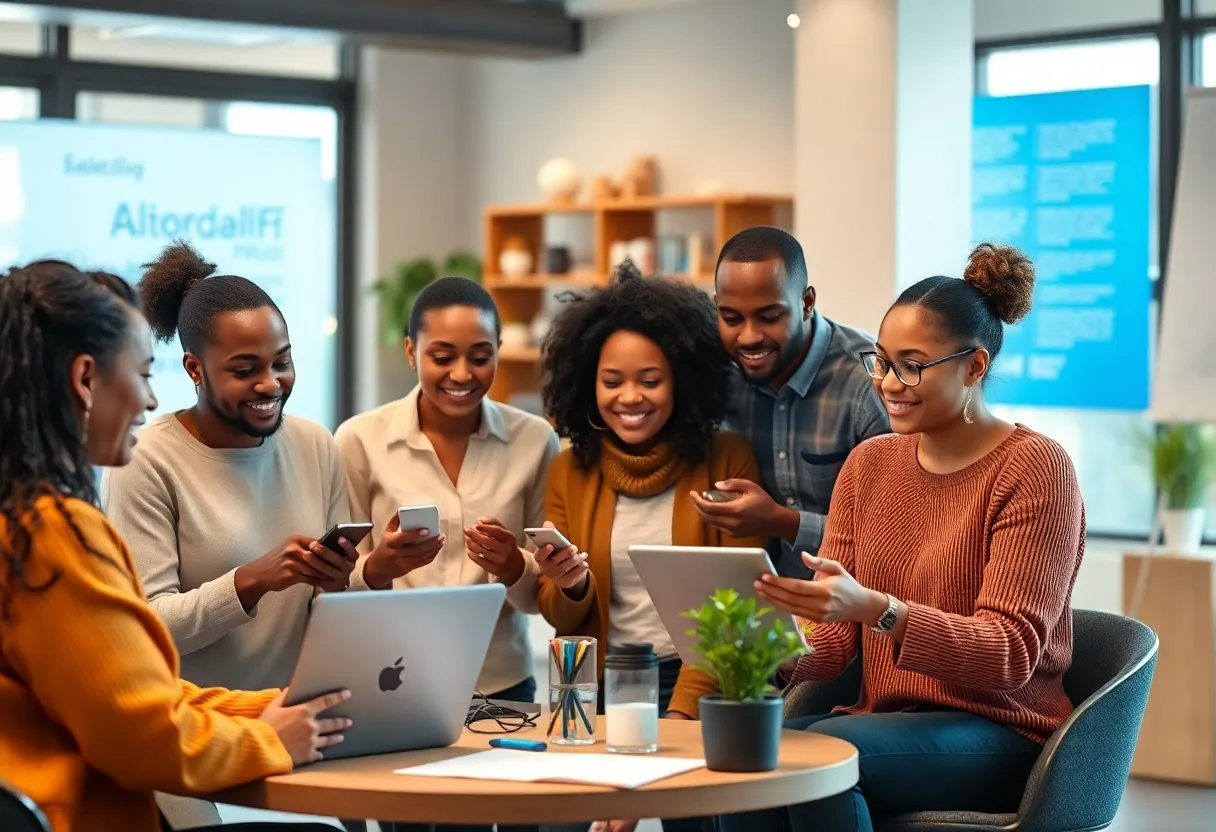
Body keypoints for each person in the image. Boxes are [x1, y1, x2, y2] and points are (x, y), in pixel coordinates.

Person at [718, 244, 1086, 832]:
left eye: (912, 364)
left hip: (1002, 729)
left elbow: (1012, 652)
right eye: (881, 362)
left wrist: (883, 612)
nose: (888, 383)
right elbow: (835, 644)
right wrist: (758, 644)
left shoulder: (1035, 468)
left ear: (974, 366)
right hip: (885, 722)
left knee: (825, 755)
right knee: (753, 758)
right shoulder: (869, 466)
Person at [0, 259, 349, 832]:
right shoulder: (53, 532)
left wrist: (260, 706)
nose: (150, 401)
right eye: (140, 375)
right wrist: (267, 737)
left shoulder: (28, 517)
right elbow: (138, 735)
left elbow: (137, 690)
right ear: (86, 380)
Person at [101, 241, 357, 827]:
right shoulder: (145, 461)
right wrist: (249, 582)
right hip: (193, 743)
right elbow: (145, 629)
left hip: (299, 728)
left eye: (282, 361)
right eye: (245, 370)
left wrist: (349, 582)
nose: (271, 383)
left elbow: (334, 621)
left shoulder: (315, 444)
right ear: (194, 369)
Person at [536, 263, 768, 832]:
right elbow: (559, 612)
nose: (629, 397)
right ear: (588, 382)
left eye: (650, 379)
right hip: (594, 683)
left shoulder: (727, 459)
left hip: (695, 684)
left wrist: (678, 718)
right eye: (611, 380)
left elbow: (735, 612)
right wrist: (570, 584)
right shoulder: (570, 468)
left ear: (682, 380)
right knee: (564, 824)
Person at [339, 276, 558, 702]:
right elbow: (330, 585)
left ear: (498, 349)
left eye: (480, 357)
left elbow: (543, 598)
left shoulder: (534, 441)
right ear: (410, 352)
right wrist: (377, 567)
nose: (462, 374)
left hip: (501, 683)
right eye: (442, 356)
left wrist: (514, 565)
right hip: (391, 676)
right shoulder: (359, 440)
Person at [693, 227, 889, 578]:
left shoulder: (868, 383)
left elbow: (897, 534)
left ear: (806, 303)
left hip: (857, 608)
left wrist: (782, 522)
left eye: (769, 317)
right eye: (732, 318)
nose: (749, 337)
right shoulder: (718, 373)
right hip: (758, 610)